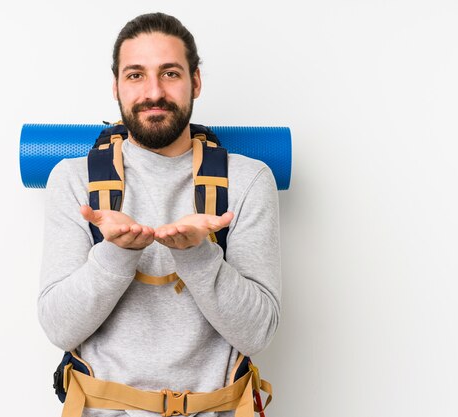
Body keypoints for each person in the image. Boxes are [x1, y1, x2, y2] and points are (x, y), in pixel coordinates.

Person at [38, 12, 281, 417]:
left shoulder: (248, 180)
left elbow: (258, 333)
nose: (153, 91)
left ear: (196, 82)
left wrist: (199, 255)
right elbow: (59, 328)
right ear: (115, 85)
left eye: (170, 73)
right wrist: (115, 253)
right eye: (135, 75)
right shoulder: (73, 180)